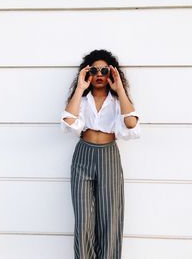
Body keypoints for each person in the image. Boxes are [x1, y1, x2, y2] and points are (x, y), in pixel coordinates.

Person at [60, 49, 141, 259]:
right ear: (87, 73)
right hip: (83, 157)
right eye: (94, 70)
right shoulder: (83, 99)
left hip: (109, 157)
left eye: (104, 70)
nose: (99, 74)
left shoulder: (117, 102)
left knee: (110, 218)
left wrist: (120, 88)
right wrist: (80, 87)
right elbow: (69, 121)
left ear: (111, 74)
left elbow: (131, 124)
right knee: (84, 220)